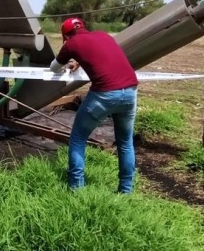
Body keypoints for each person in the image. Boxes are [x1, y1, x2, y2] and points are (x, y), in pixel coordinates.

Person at [50, 17, 138, 193]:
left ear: (66, 35)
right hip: (130, 91)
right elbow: (99, 55)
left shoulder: (70, 43)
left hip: (104, 94)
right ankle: (125, 191)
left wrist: (69, 62)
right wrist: (79, 61)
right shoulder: (103, 35)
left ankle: (76, 189)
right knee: (126, 142)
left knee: (78, 138)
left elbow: (53, 68)